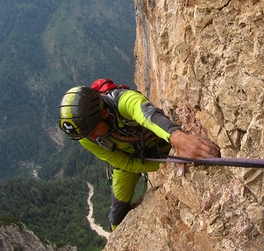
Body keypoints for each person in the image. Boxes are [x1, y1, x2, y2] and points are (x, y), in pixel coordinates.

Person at [58, 83, 220, 230]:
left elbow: (148, 115)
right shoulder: (85, 138)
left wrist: (180, 139)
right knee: (116, 218)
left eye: (92, 132)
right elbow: (123, 162)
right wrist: (165, 164)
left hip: (161, 144)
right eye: (86, 136)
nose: (92, 139)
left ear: (104, 114)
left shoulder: (124, 101)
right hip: (129, 161)